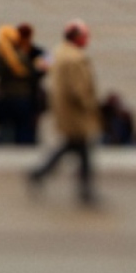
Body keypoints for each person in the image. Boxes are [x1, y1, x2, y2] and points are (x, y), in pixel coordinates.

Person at [29, 22, 101, 207]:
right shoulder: (75, 59)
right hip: (75, 112)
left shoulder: (59, 51)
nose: (88, 39)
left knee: (73, 146)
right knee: (79, 147)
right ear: (77, 38)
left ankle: (40, 173)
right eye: (86, 36)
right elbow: (79, 90)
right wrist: (92, 106)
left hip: (63, 108)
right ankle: (85, 192)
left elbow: (42, 67)